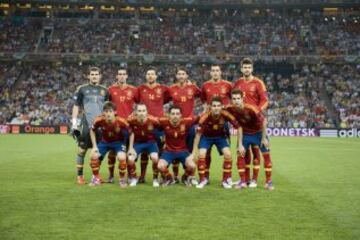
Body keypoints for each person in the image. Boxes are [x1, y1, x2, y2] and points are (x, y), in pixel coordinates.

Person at [226, 90, 274, 190]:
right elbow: (221, 109)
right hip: (245, 134)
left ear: (242, 98)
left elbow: (264, 122)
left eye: (238, 98)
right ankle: (243, 182)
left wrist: (264, 138)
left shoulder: (252, 109)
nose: (236, 101)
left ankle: (268, 182)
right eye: (234, 99)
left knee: (266, 156)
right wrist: (239, 144)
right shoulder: (230, 108)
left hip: (258, 134)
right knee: (240, 155)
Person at [233, 58, 269, 187]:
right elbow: (234, 99)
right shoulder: (237, 83)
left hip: (256, 123)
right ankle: (244, 179)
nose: (247, 69)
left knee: (255, 152)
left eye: (249, 67)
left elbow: (265, 100)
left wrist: (257, 111)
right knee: (242, 153)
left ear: (252, 69)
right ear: (241, 69)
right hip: (243, 124)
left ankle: (254, 179)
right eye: (244, 67)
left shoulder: (258, 83)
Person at [71, 67, 109, 185]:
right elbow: (76, 106)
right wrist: (74, 123)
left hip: (100, 126)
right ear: (88, 76)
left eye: (96, 74)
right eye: (92, 74)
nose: (94, 76)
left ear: (100, 76)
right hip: (86, 125)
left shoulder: (105, 90)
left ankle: (95, 176)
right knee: (82, 150)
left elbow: (107, 108)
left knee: (98, 152)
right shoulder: (82, 89)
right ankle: (80, 176)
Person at [193, 97, 241, 189]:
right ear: (210, 107)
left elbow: (238, 127)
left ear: (222, 107)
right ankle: (203, 180)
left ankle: (225, 180)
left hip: (220, 137)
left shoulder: (226, 114)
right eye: (214, 106)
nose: (216, 108)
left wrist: (239, 144)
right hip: (206, 137)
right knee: (202, 154)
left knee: (228, 154)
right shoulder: (205, 116)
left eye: (218, 106)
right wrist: (194, 151)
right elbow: (198, 135)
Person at [200, 64, 233, 183]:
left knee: (227, 152)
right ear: (210, 73)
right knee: (206, 152)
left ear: (220, 72)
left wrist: (227, 108)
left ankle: (227, 178)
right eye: (213, 70)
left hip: (223, 122)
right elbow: (203, 100)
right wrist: (205, 109)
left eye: (217, 70)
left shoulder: (228, 85)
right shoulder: (205, 85)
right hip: (208, 121)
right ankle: (205, 176)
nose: (215, 72)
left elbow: (233, 99)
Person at [137, 67, 170, 183]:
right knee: (145, 152)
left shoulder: (163, 89)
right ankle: (142, 176)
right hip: (145, 125)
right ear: (146, 76)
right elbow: (137, 102)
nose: (150, 76)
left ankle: (160, 177)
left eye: (152, 74)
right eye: (148, 74)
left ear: (156, 76)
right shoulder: (140, 89)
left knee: (160, 152)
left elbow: (168, 98)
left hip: (159, 125)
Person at [168, 67, 201, 181]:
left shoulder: (193, 88)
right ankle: (176, 175)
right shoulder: (171, 89)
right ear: (176, 76)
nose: (181, 76)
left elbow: (203, 96)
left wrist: (196, 106)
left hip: (190, 125)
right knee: (175, 149)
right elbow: (163, 100)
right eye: (179, 74)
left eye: (183, 74)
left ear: (187, 76)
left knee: (190, 150)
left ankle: (190, 175)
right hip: (176, 125)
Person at [89, 102, 132, 188]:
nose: (108, 113)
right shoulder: (99, 120)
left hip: (118, 143)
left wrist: (130, 148)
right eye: (106, 111)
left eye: (110, 111)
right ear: (103, 113)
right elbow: (92, 130)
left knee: (122, 157)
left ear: (115, 112)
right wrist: (94, 146)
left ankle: (122, 179)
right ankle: (96, 179)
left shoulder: (121, 121)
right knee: (93, 155)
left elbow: (131, 133)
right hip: (105, 142)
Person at [107, 67, 138, 183]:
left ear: (127, 76)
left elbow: (140, 104)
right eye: (119, 74)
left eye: (124, 74)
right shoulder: (110, 90)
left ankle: (130, 175)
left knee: (129, 152)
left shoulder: (133, 90)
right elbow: (106, 106)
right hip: (114, 126)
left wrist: (134, 113)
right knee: (112, 152)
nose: (121, 76)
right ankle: (110, 175)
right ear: (116, 76)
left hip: (128, 126)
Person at [157, 106, 198, 187]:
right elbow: (152, 120)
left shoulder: (186, 122)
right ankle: (169, 178)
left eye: (177, 114)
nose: (175, 116)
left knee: (192, 166)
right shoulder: (163, 121)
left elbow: (199, 118)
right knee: (160, 166)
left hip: (183, 151)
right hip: (168, 151)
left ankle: (184, 178)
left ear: (181, 115)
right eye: (173, 114)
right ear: (169, 115)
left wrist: (193, 153)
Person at [127, 104, 161, 187]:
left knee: (155, 158)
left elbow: (162, 129)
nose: (141, 113)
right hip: (138, 143)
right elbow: (127, 128)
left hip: (151, 143)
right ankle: (134, 178)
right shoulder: (131, 120)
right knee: (130, 159)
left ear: (146, 112)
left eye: (143, 111)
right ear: (135, 112)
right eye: (139, 111)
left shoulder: (153, 120)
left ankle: (155, 179)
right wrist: (130, 147)